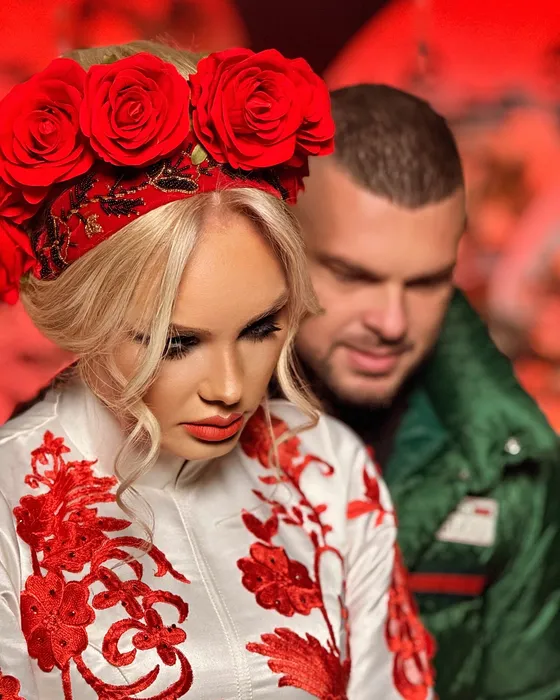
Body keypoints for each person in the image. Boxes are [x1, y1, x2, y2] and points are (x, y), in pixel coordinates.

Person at [0, 43, 434, 699]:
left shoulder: (329, 473)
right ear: (89, 318)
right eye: (176, 343)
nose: (230, 388)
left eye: (261, 328)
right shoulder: (10, 509)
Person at [293, 84, 560, 700]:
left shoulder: (513, 463)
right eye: (354, 276)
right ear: (280, 241)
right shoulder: (181, 418)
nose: (391, 322)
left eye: (426, 283)